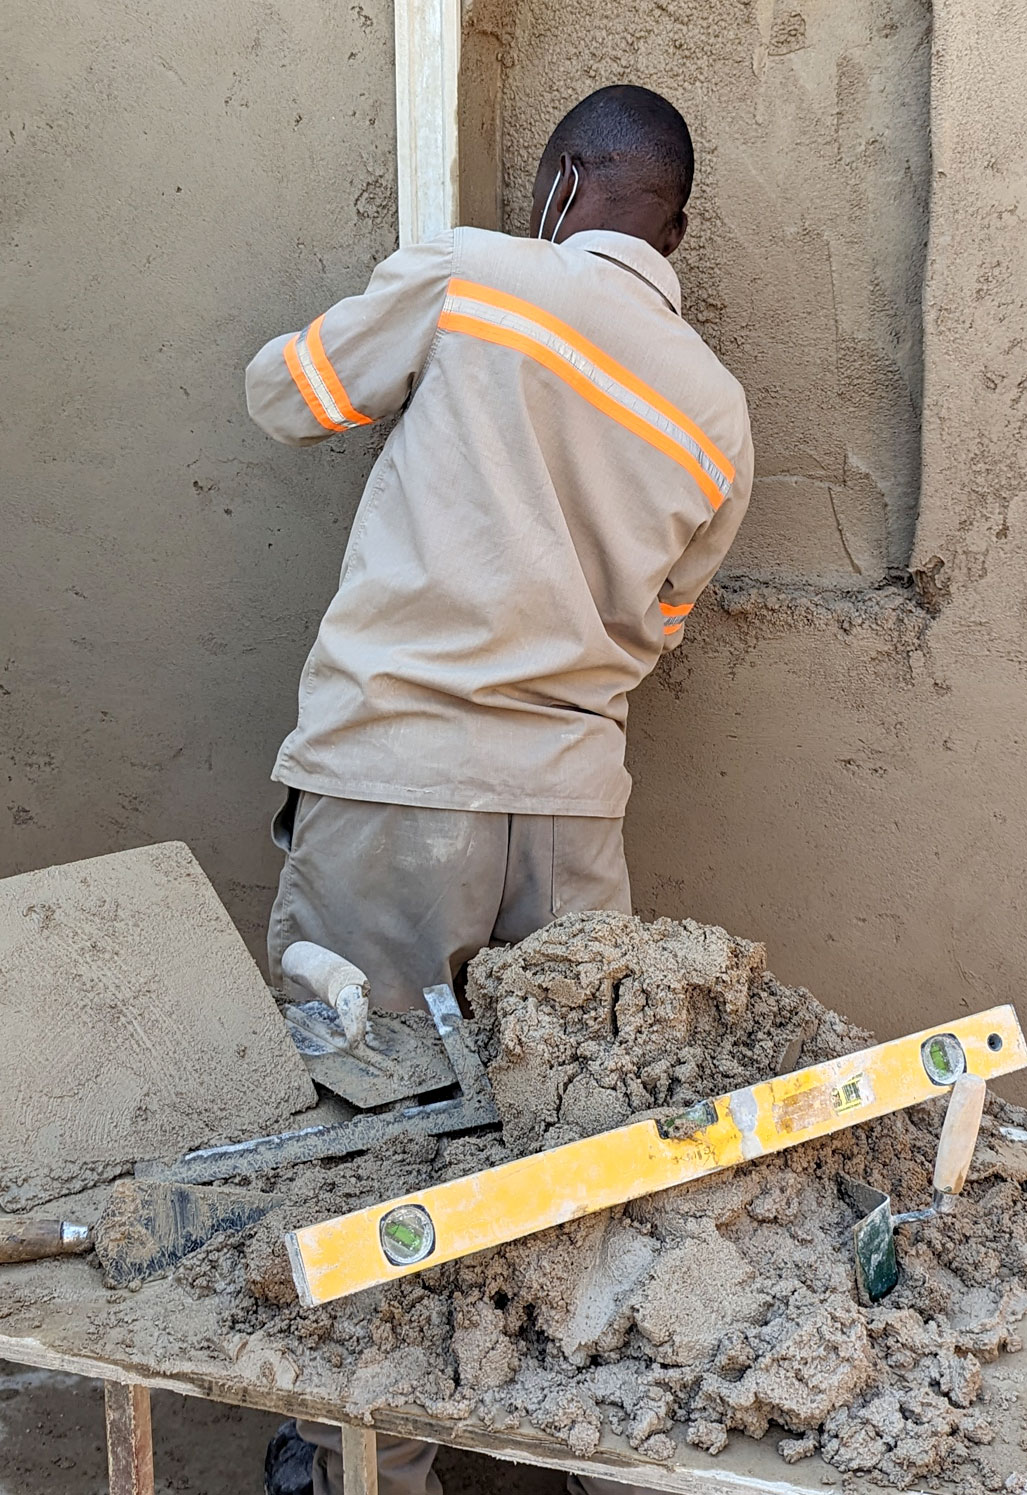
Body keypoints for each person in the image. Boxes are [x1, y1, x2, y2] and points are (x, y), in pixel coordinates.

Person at [247, 83, 753, 1495]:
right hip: (575, 819)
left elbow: (289, 396)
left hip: (402, 786)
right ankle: (569, 1431)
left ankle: (364, 1461)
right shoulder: (719, 409)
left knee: (369, 1127)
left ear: (563, 183)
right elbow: (658, 626)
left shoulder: (480, 277)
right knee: (565, 1138)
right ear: (678, 226)